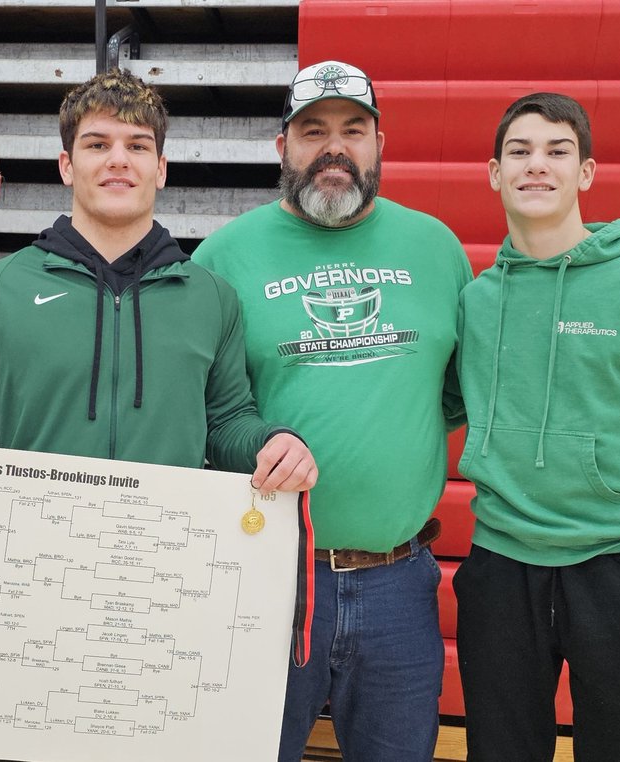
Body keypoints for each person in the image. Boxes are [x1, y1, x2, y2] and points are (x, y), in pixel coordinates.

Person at [0, 69, 316, 546]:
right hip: (30, 552)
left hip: (165, 553)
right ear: (66, 166)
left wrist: (270, 443)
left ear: (160, 168)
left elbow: (225, 421)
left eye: (137, 146)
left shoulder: (210, 296)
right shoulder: (0, 287)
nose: (119, 160)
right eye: (97, 145)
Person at [191, 60, 473, 761]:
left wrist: (378, 437)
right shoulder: (225, 256)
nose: (333, 147)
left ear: (380, 144)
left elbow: (454, 392)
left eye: (354, 129)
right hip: (266, 575)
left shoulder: (435, 248)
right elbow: (203, 410)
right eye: (312, 130)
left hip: (398, 583)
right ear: (281, 147)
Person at [452, 92, 620, 762]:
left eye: (558, 151)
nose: (536, 166)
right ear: (494, 173)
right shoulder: (477, 300)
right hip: (499, 570)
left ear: (586, 173)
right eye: (519, 151)